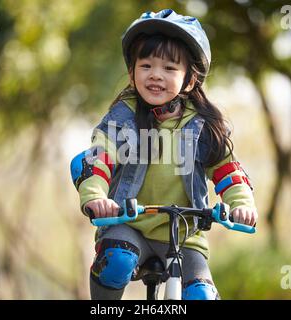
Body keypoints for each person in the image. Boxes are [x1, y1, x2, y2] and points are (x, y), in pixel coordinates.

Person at [70, 9, 257, 300]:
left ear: (190, 81)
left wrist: (241, 204)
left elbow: (226, 169)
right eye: (146, 65)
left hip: (184, 236)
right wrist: (96, 197)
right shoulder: (123, 118)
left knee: (201, 296)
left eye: (170, 68)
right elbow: (98, 157)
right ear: (132, 74)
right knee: (115, 260)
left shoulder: (203, 126)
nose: (156, 75)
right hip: (128, 226)